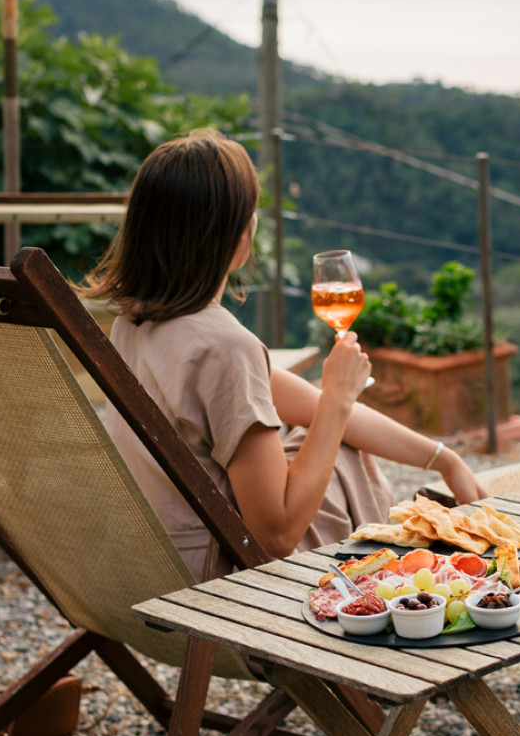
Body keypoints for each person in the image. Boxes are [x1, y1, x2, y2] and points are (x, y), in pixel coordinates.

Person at [80, 129, 488, 581]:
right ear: (235, 239)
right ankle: (376, 593)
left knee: (320, 426)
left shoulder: (132, 325)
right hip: (218, 581)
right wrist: (337, 398)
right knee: (342, 449)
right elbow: (275, 538)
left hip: (150, 566)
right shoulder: (226, 349)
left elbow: (308, 407)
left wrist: (443, 458)